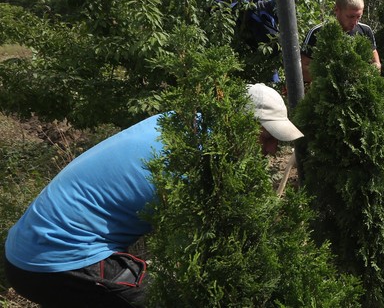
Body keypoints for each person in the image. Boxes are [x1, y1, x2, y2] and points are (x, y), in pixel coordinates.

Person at [4, 84, 303, 307]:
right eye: (266, 138)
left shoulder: (183, 123)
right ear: (235, 123)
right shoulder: (194, 162)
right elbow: (197, 254)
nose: (271, 150)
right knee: (165, 300)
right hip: (54, 261)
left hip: (29, 249)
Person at [301, 0, 380, 83]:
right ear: (336, 9)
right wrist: (333, 79)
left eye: (358, 17)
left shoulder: (365, 31)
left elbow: (376, 64)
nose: (355, 22)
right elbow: (303, 67)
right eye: (350, 16)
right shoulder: (317, 32)